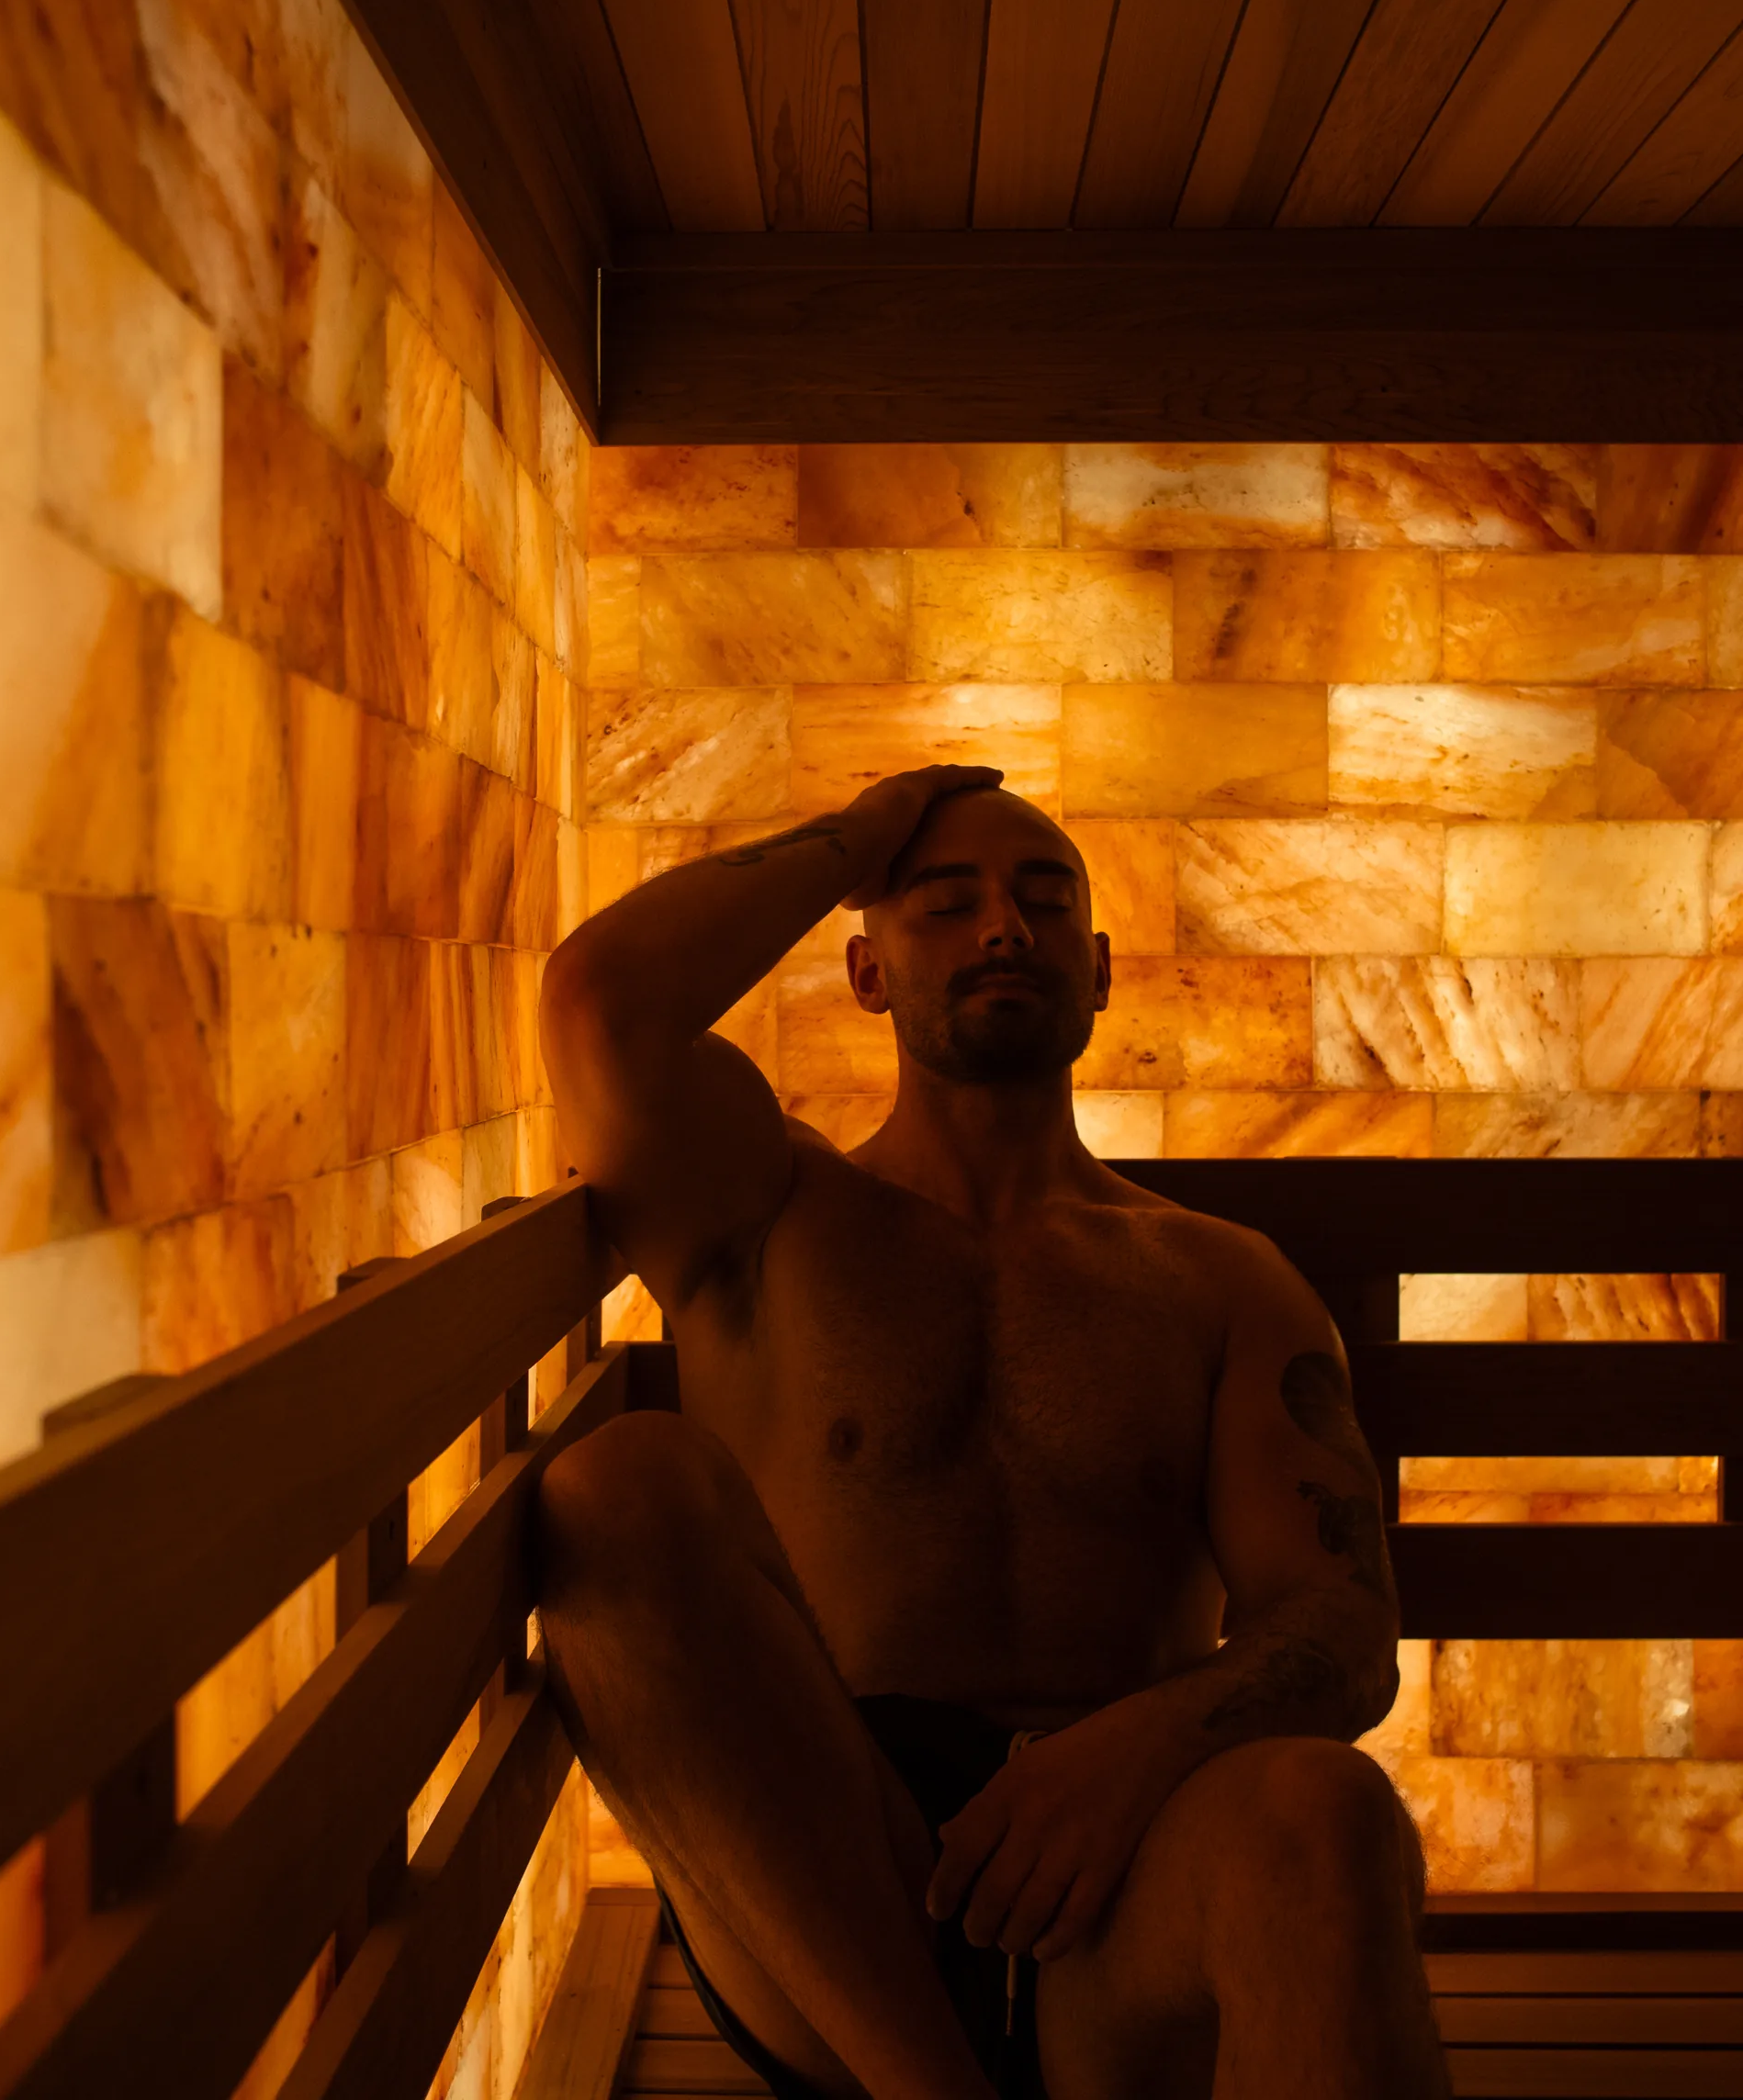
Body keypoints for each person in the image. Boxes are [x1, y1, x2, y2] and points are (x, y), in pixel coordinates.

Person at [535, 764, 1448, 2100]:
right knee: (615, 1487)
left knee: (1329, 1815)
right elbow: (602, 1007)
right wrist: (858, 834)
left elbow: (1341, 1624)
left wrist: (1139, 1750)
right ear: (864, 970)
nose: (1003, 930)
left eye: (1042, 902)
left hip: (1121, 1885)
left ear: (1102, 970)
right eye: (944, 904)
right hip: (832, 1903)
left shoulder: (1220, 1280)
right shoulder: (767, 1215)